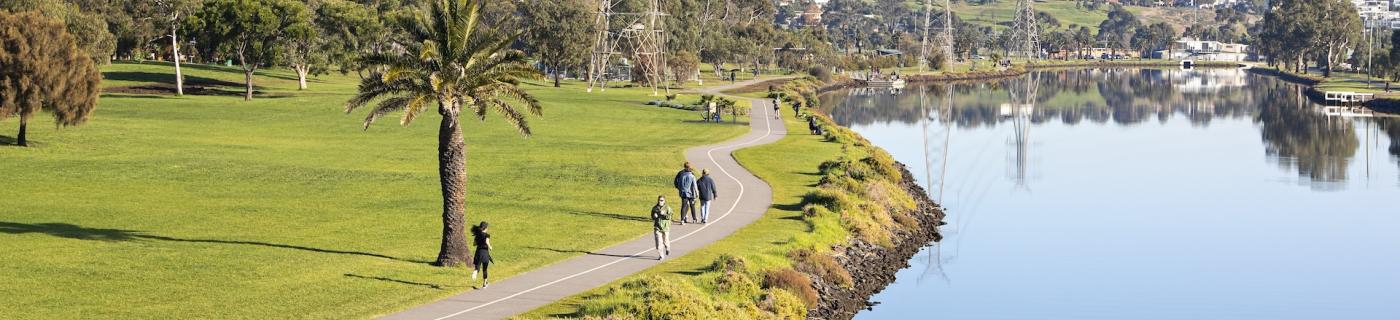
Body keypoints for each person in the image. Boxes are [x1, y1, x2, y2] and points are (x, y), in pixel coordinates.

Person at [470, 221, 493, 288]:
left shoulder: (477, 235)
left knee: (477, 266)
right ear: (486, 228)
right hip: (485, 253)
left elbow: (474, 244)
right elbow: (487, 242)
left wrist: (478, 242)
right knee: (485, 269)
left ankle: (475, 272)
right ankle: (484, 283)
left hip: (478, 252)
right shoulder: (487, 235)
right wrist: (490, 247)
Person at [651, 195, 672, 260]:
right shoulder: (655, 208)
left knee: (665, 241)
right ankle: (661, 255)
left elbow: (670, 217)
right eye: (659, 200)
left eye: (662, 200)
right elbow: (652, 216)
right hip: (657, 227)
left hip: (665, 227)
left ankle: (668, 248)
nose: (660, 202)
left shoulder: (667, 208)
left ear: (664, 201)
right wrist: (654, 216)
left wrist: (664, 214)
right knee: (658, 242)